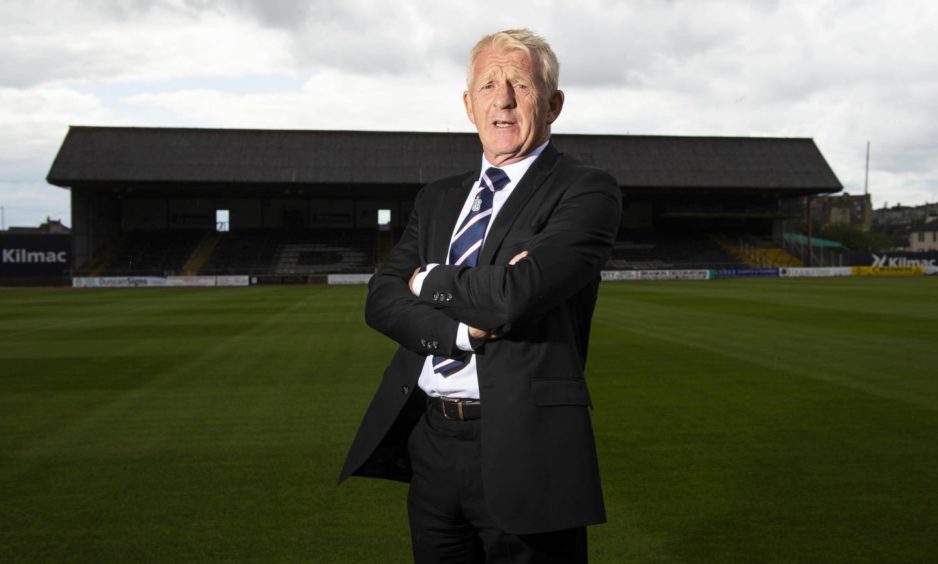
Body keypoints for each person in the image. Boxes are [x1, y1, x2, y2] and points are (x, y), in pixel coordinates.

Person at [339, 28, 622, 563]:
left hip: (526, 446)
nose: (504, 99)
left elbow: (515, 296)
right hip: (432, 438)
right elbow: (380, 298)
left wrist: (426, 281)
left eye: (521, 83)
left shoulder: (586, 189)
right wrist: (459, 331)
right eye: (488, 85)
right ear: (469, 105)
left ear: (554, 103)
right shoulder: (439, 197)